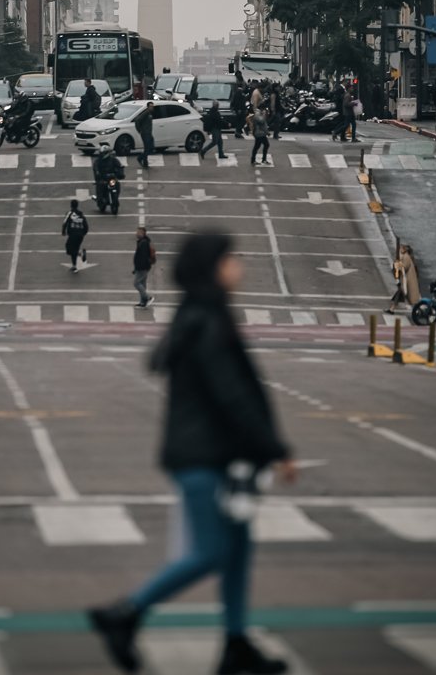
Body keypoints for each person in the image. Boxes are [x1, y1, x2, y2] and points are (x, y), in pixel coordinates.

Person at [88, 232, 294, 675]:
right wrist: (275, 448)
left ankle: (236, 644)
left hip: (220, 455)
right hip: (203, 456)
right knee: (211, 551)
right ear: (212, 266)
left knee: (238, 549)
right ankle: (125, 614)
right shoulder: (207, 320)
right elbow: (233, 393)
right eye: (230, 257)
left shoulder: (203, 313)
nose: (238, 264)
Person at [387, 244, 421, 315]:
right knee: (401, 294)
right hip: (406, 280)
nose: (400, 249)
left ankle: (419, 310)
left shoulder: (406, 257)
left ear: (404, 249)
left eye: (401, 248)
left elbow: (404, 268)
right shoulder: (406, 256)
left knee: (410, 297)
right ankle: (392, 309)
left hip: (407, 281)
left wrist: (397, 265)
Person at [61, 199, 90, 273]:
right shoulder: (81, 214)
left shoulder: (69, 213)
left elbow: (65, 223)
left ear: (71, 205)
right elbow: (86, 226)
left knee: (69, 247)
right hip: (80, 235)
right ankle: (74, 266)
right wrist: (83, 233)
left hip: (73, 234)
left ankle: (80, 254)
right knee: (75, 248)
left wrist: (63, 232)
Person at [132, 227, 155, 308]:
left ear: (142, 233)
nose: (136, 233)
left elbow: (143, 257)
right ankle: (143, 302)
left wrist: (138, 267)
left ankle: (148, 298)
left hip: (142, 267)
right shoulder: (143, 242)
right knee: (142, 284)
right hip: (143, 267)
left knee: (136, 283)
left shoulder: (143, 243)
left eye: (138, 232)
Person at [134, 102, 156, 167]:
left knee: (151, 147)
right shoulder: (146, 113)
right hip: (145, 133)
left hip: (149, 133)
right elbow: (137, 120)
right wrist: (139, 130)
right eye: (150, 106)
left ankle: (142, 158)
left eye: (152, 106)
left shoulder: (150, 114)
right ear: (148, 107)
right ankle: (144, 161)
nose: (152, 108)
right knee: (147, 148)